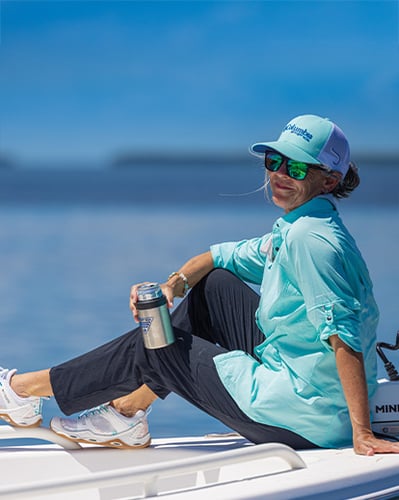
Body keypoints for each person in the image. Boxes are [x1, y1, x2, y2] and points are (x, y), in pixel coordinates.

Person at [1, 114, 398, 456]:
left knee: (155, 343)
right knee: (214, 287)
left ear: (328, 182)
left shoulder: (312, 242)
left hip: (301, 418)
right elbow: (220, 256)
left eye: (296, 169)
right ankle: (125, 414)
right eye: (274, 160)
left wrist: (362, 435)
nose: (278, 174)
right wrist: (173, 285)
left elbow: (341, 334)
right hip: (301, 382)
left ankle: (25, 390)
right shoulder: (298, 228)